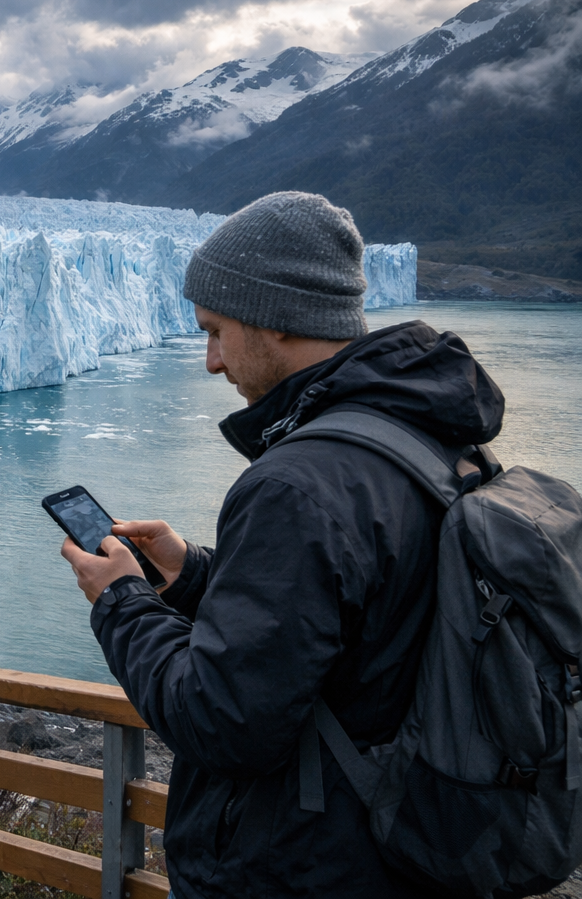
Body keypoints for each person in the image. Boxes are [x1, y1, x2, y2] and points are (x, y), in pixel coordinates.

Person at [59, 192, 504, 898]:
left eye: (216, 331)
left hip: (304, 865)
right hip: (404, 846)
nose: (210, 361)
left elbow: (222, 719)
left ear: (274, 318)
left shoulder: (298, 484)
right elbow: (359, 620)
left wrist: (120, 598)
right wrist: (193, 573)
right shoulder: (434, 440)